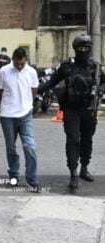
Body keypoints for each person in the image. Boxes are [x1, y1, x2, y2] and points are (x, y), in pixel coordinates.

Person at [38, 34, 105, 191]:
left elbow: (103, 82)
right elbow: (52, 81)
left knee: (87, 140)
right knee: (73, 140)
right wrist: (35, 90)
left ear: (89, 49)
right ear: (75, 49)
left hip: (89, 109)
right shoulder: (67, 66)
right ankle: (73, 172)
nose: (83, 51)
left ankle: (84, 168)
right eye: (80, 48)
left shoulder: (95, 67)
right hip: (71, 109)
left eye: (86, 48)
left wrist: (100, 91)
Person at [0, 48, 40, 190]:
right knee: (11, 148)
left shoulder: (31, 72)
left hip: (26, 114)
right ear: (13, 59)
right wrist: (7, 105)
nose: (19, 67)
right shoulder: (4, 71)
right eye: (17, 64)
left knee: (30, 147)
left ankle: (32, 179)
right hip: (8, 116)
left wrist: (27, 105)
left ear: (25, 60)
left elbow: (34, 91)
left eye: (22, 64)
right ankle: (13, 175)